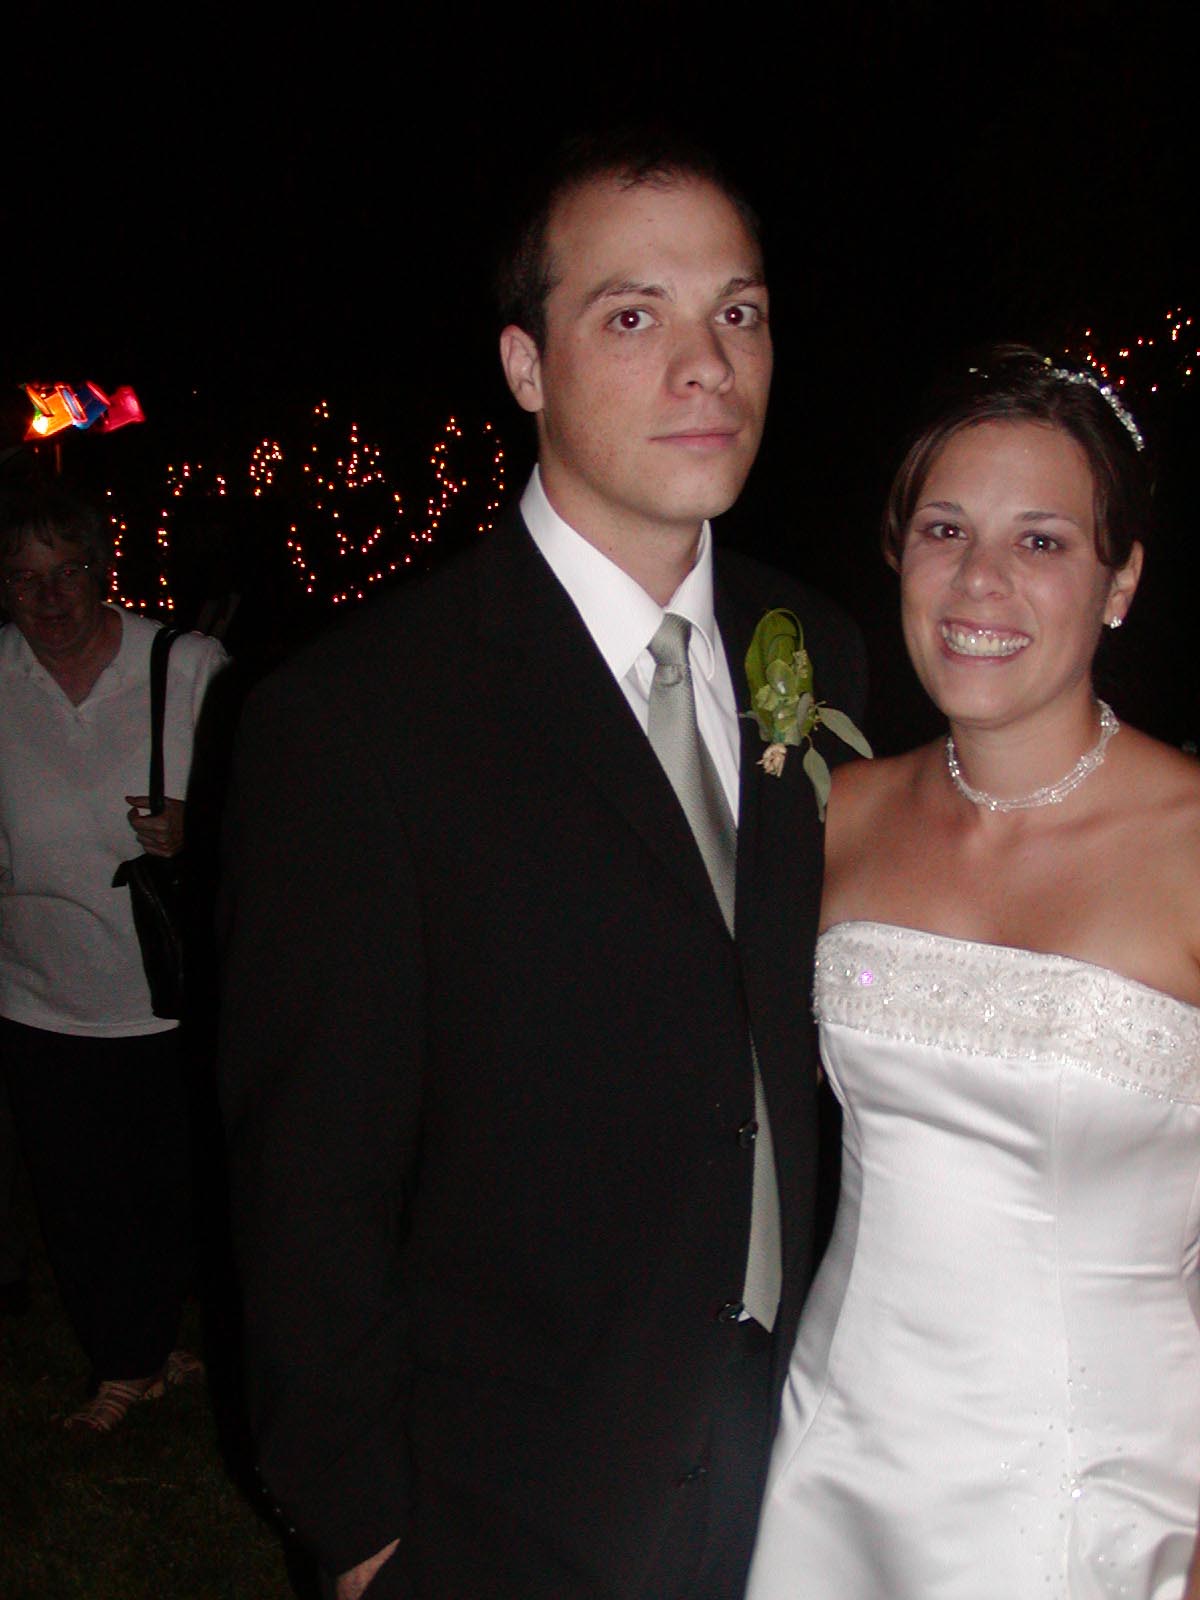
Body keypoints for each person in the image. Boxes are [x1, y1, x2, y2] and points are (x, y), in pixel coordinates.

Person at [218, 129, 865, 1600]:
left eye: (740, 312)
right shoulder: (356, 720)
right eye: (634, 316)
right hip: (508, 1496)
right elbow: (306, 1181)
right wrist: (363, 1529)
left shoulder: (819, 652)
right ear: (525, 365)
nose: (707, 366)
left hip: (801, 1465)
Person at [747, 346, 1200, 1599]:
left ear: (1121, 580)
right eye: (945, 529)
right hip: (841, 1469)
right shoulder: (837, 813)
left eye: (1041, 540)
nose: (980, 579)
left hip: (1108, 1494)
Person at [0, 483, 229, 1431]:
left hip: (168, 993)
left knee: (176, 1186)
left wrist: (196, 826)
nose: (50, 600)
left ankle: (157, 1341)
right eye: (24, 580)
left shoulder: (186, 666)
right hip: (37, 989)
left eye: (69, 574)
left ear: (103, 571)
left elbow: (270, 809)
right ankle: (124, 1362)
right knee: (77, 1192)